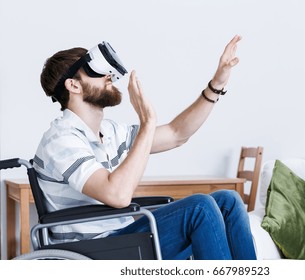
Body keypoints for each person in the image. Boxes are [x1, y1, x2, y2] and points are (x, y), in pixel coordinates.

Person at [33, 35, 256, 260]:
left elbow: (177, 134)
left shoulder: (111, 132)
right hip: (94, 250)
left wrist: (216, 84)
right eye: (96, 71)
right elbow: (118, 195)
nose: (109, 76)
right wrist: (147, 123)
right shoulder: (61, 140)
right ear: (73, 85)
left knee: (229, 201)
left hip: (121, 238)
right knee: (200, 207)